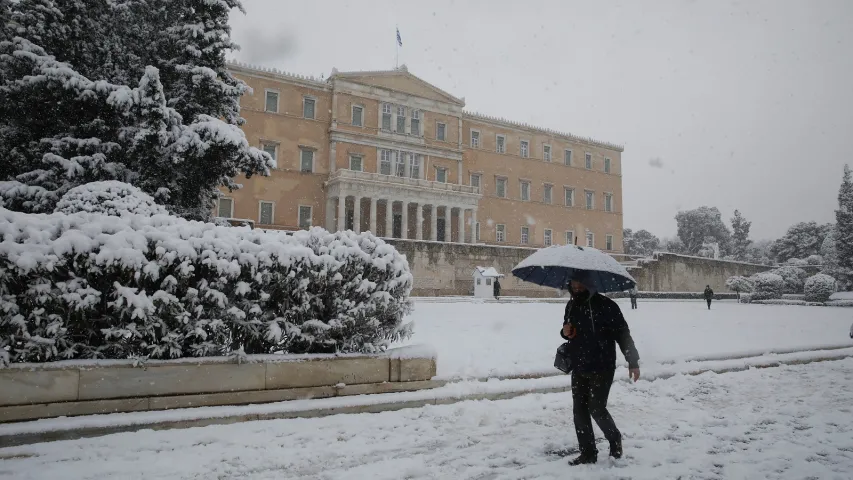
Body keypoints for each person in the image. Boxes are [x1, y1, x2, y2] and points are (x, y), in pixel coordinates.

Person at [560, 279, 641, 466]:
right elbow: (567, 329)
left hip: (602, 365)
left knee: (596, 408)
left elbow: (623, 334)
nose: (577, 288)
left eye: (581, 284)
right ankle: (588, 453)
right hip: (579, 364)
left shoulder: (607, 306)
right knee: (579, 411)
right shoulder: (571, 305)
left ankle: (614, 439)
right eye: (574, 285)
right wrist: (565, 332)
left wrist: (633, 361)